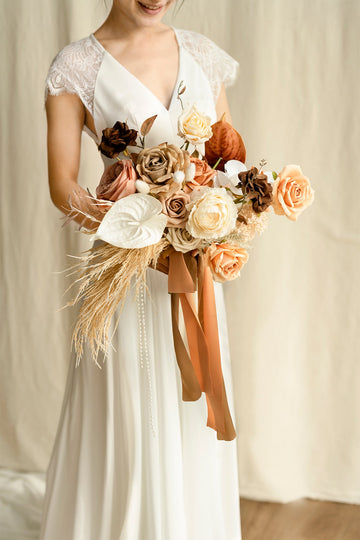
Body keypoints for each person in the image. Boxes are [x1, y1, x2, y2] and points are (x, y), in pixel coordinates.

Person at [40, 1, 242, 539]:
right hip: (124, 272)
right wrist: (129, 224)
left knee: (193, 405)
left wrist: (220, 213)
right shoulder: (76, 66)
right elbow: (63, 186)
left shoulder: (202, 54)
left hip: (194, 268)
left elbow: (227, 157)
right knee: (130, 412)